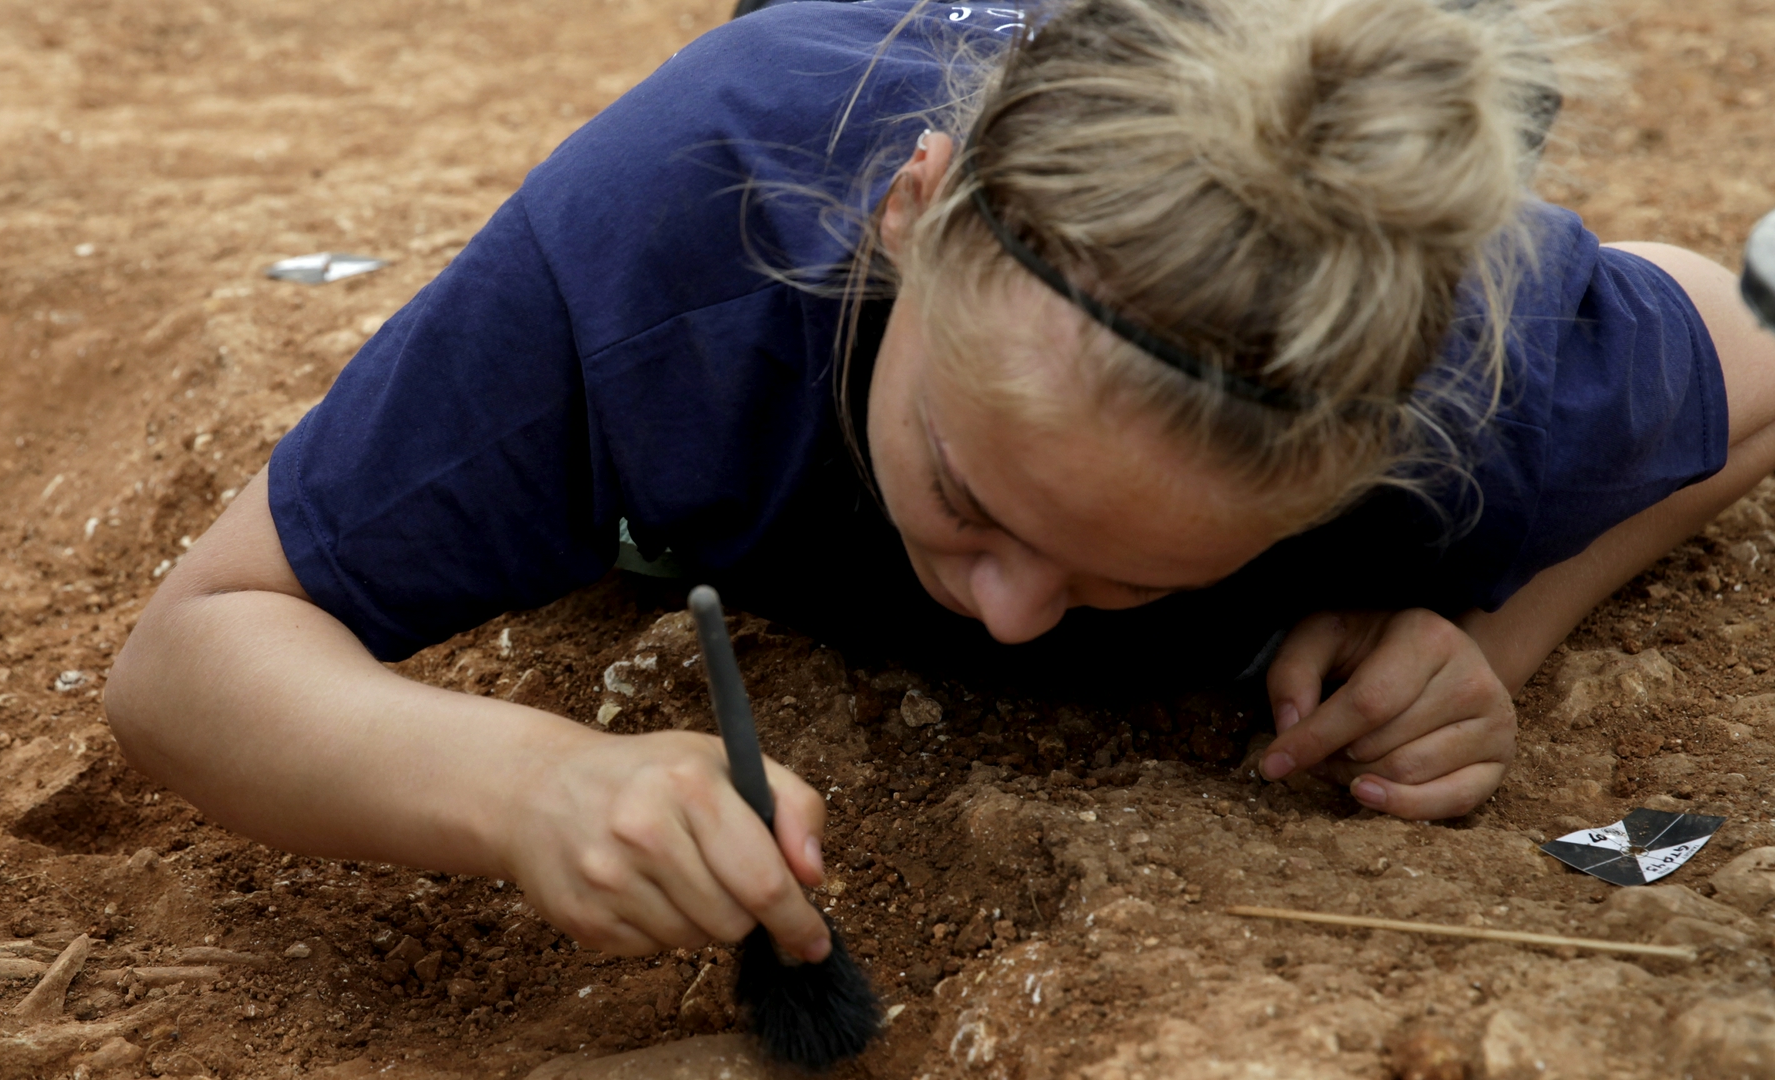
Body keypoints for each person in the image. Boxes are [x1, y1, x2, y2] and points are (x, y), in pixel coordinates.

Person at [106, 0, 1775, 963]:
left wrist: (1490, 625)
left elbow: (1752, 346)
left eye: (1136, 575)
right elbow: (195, 652)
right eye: (971, 498)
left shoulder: (1466, 371)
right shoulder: (664, 256)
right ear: (912, 216)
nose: (1015, 615)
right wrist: (523, 784)